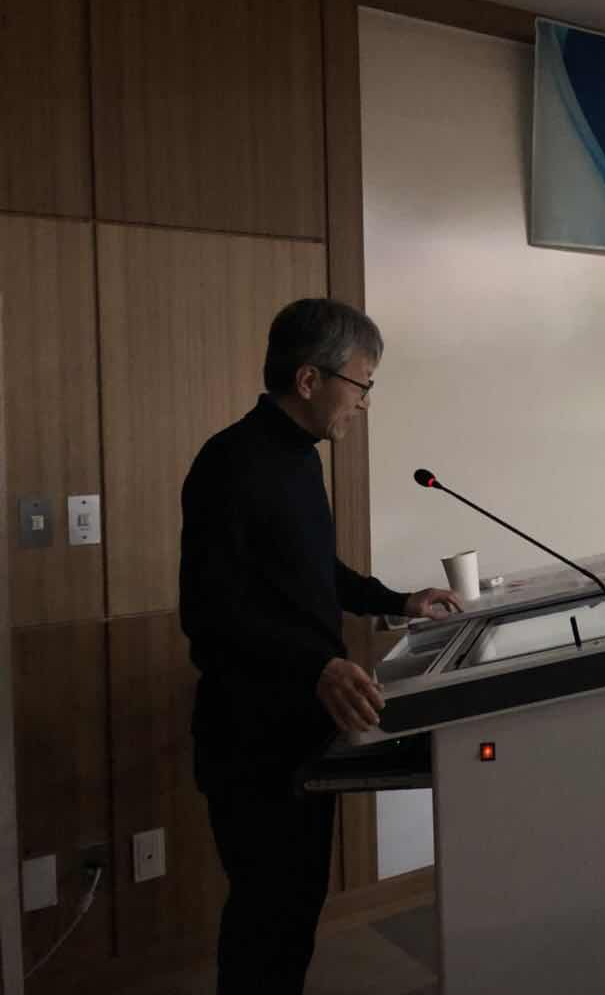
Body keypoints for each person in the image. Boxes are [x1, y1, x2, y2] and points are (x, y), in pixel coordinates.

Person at [179, 298, 460, 994]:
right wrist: (317, 663)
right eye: (361, 384)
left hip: (307, 724)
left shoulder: (301, 460)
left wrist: (397, 600)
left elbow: (316, 572)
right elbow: (209, 617)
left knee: (298, 905)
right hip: (249, 737)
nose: (365, 402)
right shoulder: (230, 463)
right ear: (309, 380)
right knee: (265, 912)